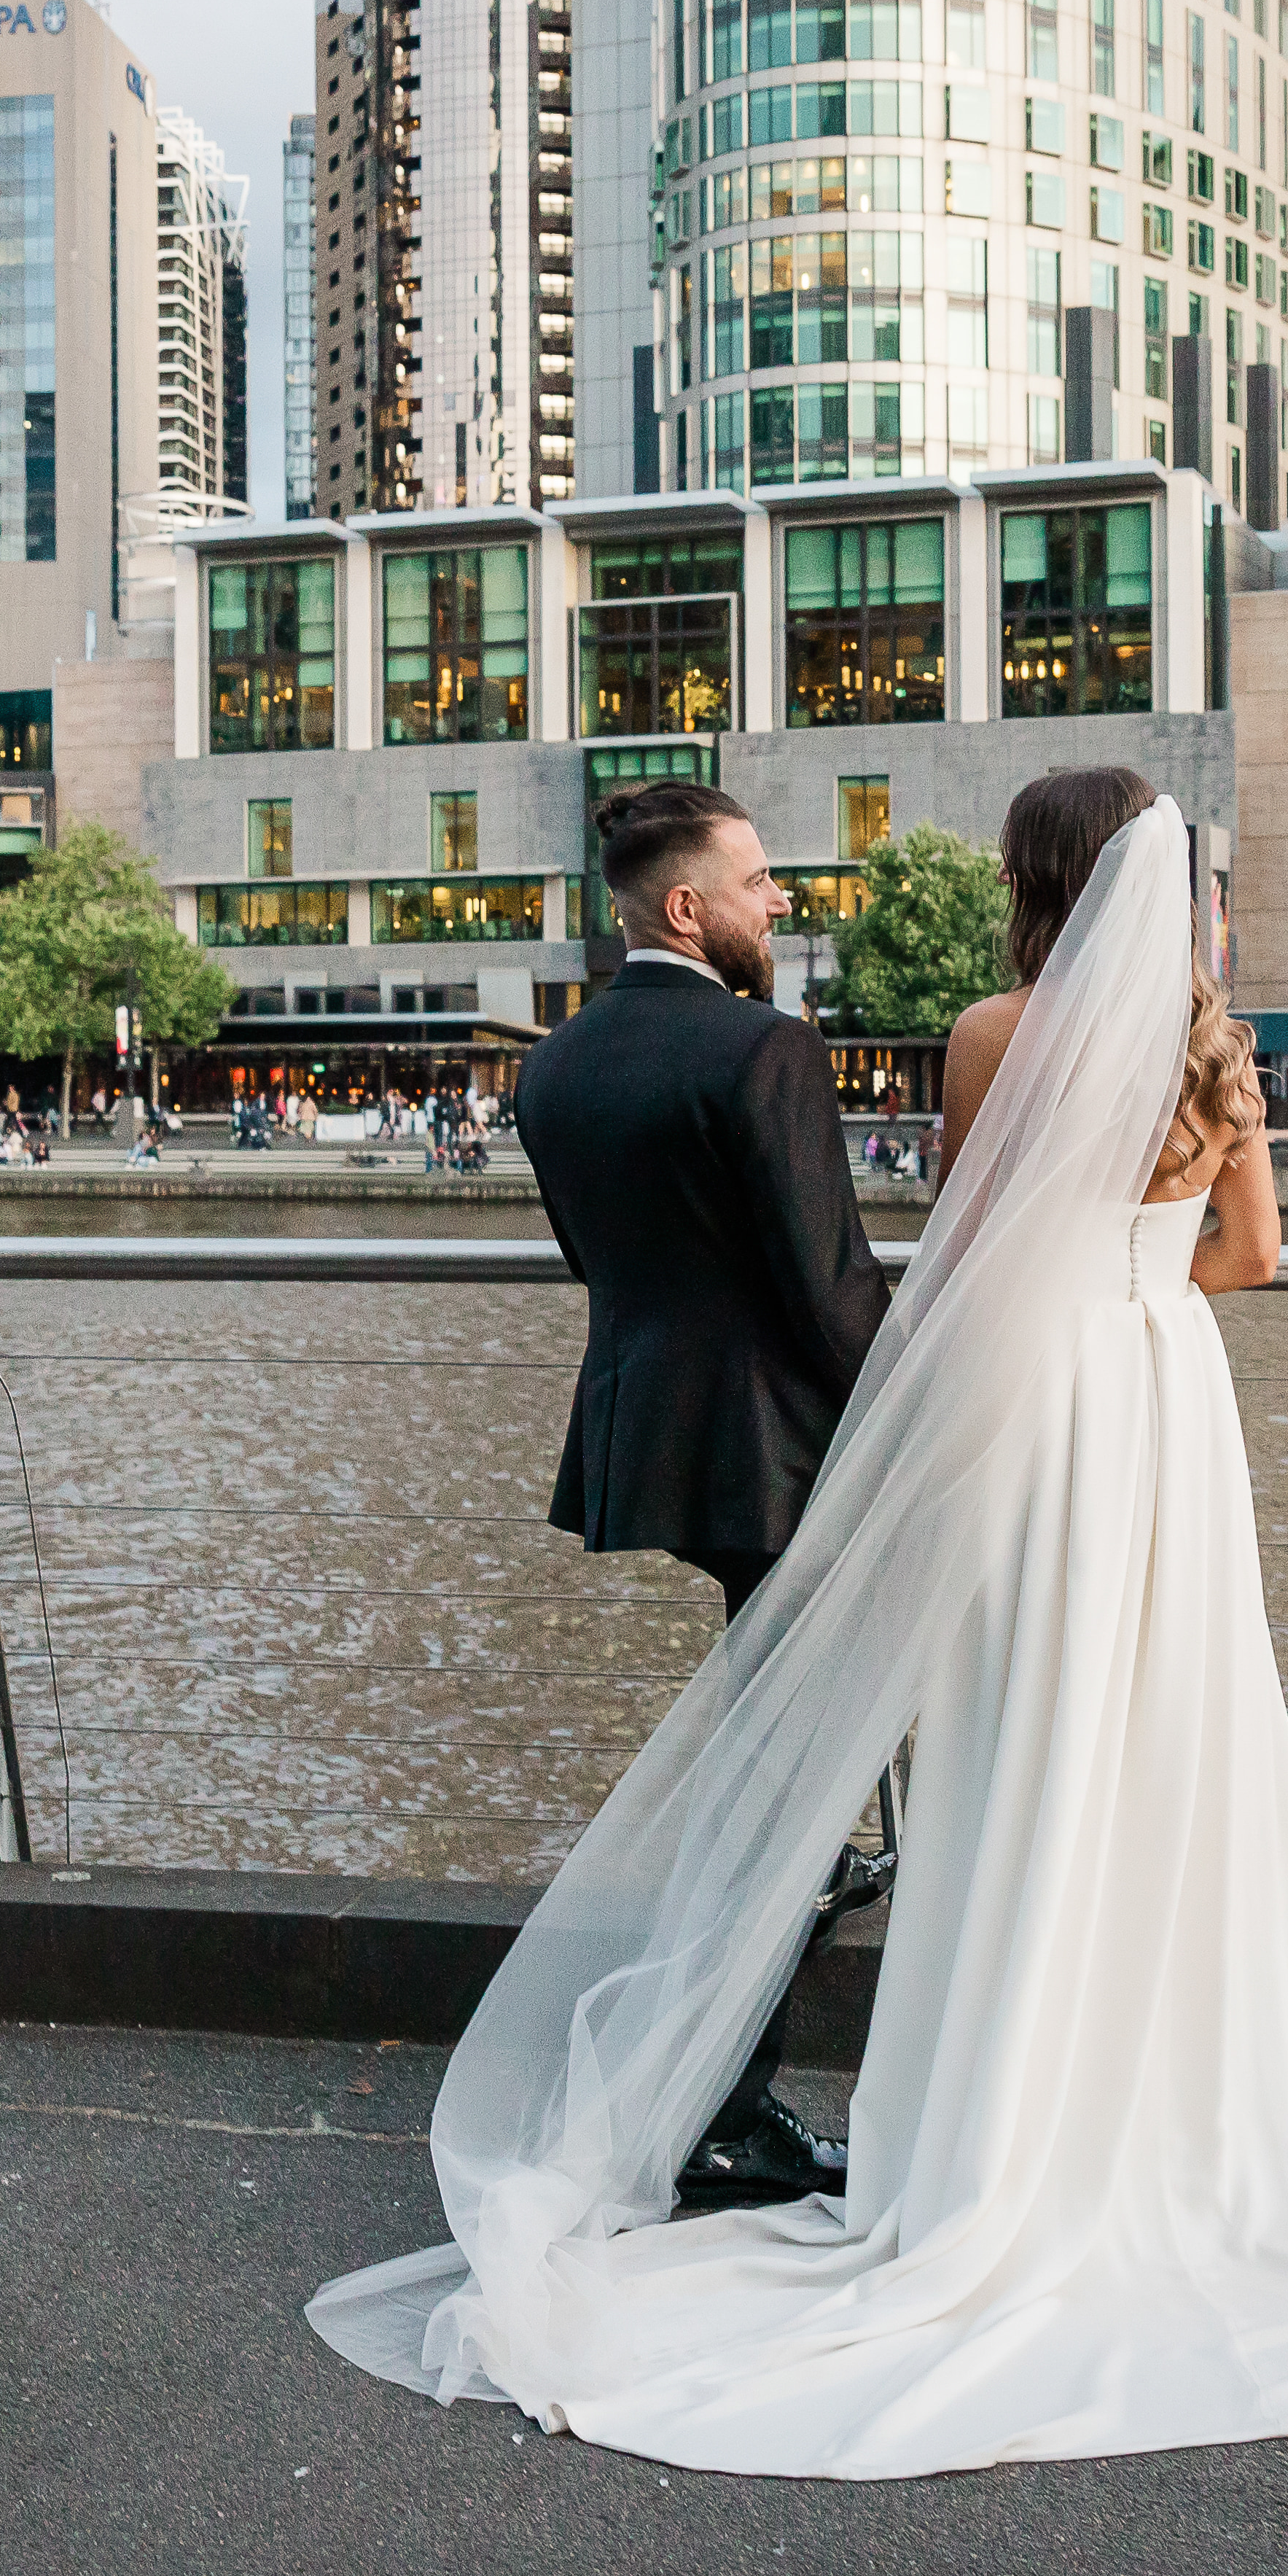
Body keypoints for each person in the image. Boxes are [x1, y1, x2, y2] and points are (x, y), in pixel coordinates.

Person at [314, 763, 1288, 2477]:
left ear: (1035, 877)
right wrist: (1149, 1261)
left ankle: (974, 2125)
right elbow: (1248, 1261)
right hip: (1168, 1409)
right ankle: (1154, 2110)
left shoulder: (981, 1031)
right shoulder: (1215, 1046)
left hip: (1037, 1410)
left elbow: (966, 1263)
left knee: (1010, 1749)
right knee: (1176, 1742)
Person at [492, 780, 891, 2211]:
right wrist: (934, 1417)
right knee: (797, 1783)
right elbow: (831, 1287)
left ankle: (721, 2080)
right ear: (687, 906)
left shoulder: (555, 1064)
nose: (777, 902)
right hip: (783, 1456)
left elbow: (596, 1266)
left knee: (782, 1761)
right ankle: (723, 2101)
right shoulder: (764, 1046)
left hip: (654, 1437)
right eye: (759, 880)